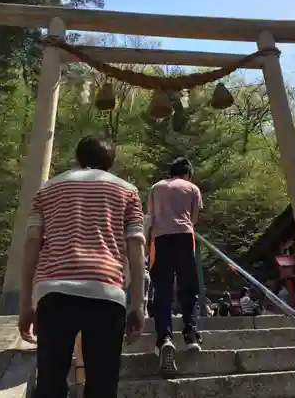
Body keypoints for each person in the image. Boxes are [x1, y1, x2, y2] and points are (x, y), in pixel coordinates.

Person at [18, 136, 146, 398]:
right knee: (103, 384)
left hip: (54, 291)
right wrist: (137, 304)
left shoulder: (46, 190)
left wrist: (25, 305)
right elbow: (136, 248)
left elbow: (31, 245)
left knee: (50, 382)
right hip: (107, 293)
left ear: (78, 158)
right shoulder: (128, 191)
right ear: (110, 163)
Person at [146, 157, 203, 376]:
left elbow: (150, 218)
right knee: (189, 288)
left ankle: (165, 338)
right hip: (185, 238)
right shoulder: (192, 188)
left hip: (161, 239)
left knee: (162, 290)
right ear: (187, 173)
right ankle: (191, 336)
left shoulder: (155, 188)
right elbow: (194, 219)